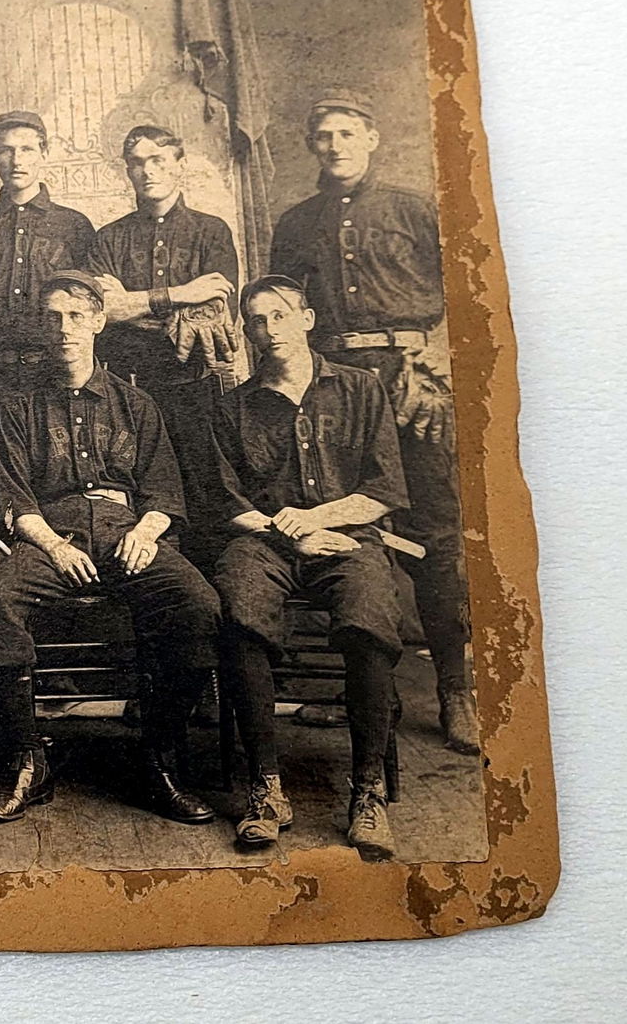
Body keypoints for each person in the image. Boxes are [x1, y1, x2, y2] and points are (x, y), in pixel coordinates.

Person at [0, 271, 221, 825]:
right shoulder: (14, 406)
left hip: (128, 532)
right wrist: (54, 546)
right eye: (53, 318)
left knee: (198, 605)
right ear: (40, 325)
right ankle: (28, 759)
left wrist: (145, 532)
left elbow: (164, 491)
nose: (64, 330)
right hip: (50, 536)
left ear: (100, 322)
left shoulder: (137, 404)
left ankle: (159, 759)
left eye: (77, 317)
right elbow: (14, 495)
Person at [269, 89, 475, 755]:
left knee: (436, 531)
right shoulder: (297, 222)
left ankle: (454, 690)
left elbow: (471, 293)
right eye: (322, 135)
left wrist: (438, 367)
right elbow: (281, 313)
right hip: (339, 390)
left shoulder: (415, 208)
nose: (333, 145)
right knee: (349, 523)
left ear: (372, 136)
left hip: (413, 381)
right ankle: (370, 688)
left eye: (345, 133)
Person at [210, 275, 412, 860]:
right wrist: (286, 532)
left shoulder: (360, 389)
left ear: (307, 319)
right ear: (245, 331)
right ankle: (266, 788)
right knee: (239, 607)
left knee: (370, 612)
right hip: (264, 542)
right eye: (255, 320)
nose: (268, 329)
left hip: (347, 537)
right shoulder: (232, 408)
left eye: (279, 315)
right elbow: (225, 503)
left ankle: (368, 789)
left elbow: (383, 488)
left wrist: (317, 519)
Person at [85, 125, 240, 564]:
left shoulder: (211, 232)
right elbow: (104, 312)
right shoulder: (108, 238)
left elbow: (216, 314)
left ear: (179, 165)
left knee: (201, 492)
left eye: (158, 160)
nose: (147, 171)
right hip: (127, 390)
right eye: (137, 162)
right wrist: (179, 296)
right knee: (136, 492)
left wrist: (132, 305)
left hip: (192, 387)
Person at [0, 111, 98, 395]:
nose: (17, 160)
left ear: (44, 153)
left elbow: (90, 306)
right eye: (7, 150)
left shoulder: (74, 226)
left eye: (27, 149)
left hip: (55, 373)